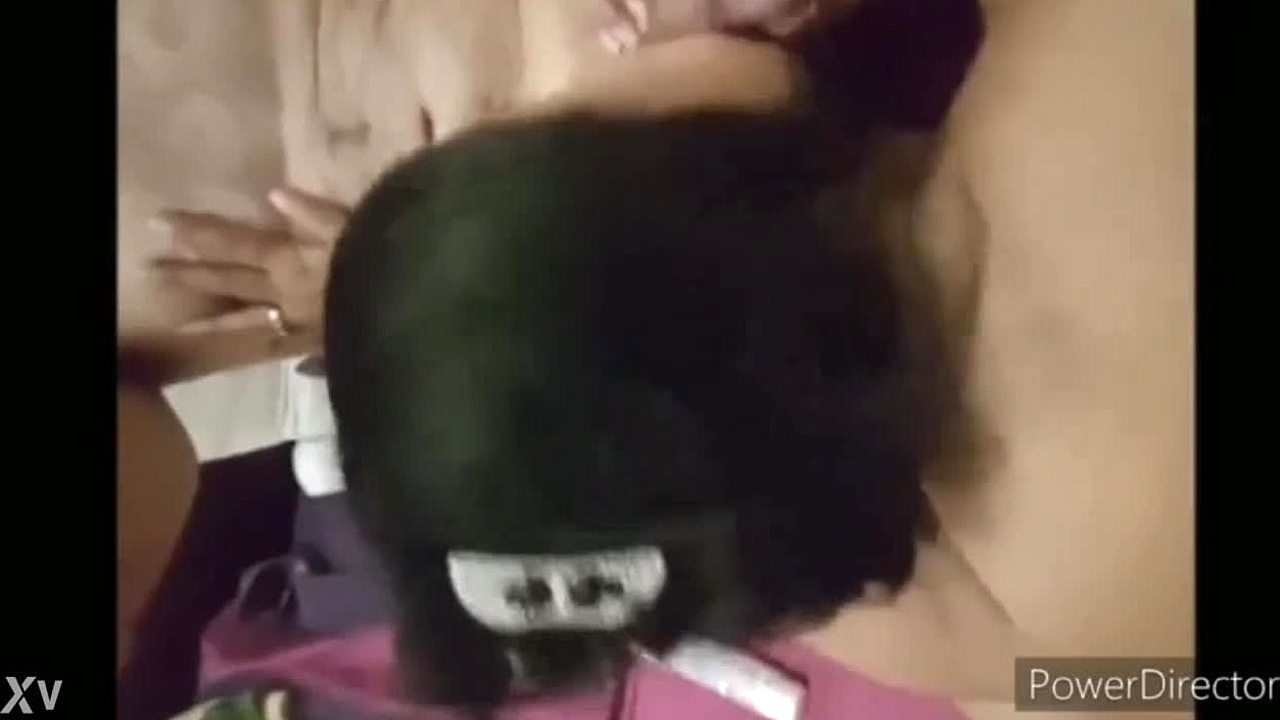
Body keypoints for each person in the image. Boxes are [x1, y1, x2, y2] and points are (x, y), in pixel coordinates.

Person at [118, 0, 1193, 718]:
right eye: (518, 120)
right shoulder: (1078, 49)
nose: (602, 42)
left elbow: (1159, 690)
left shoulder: (990, 609)